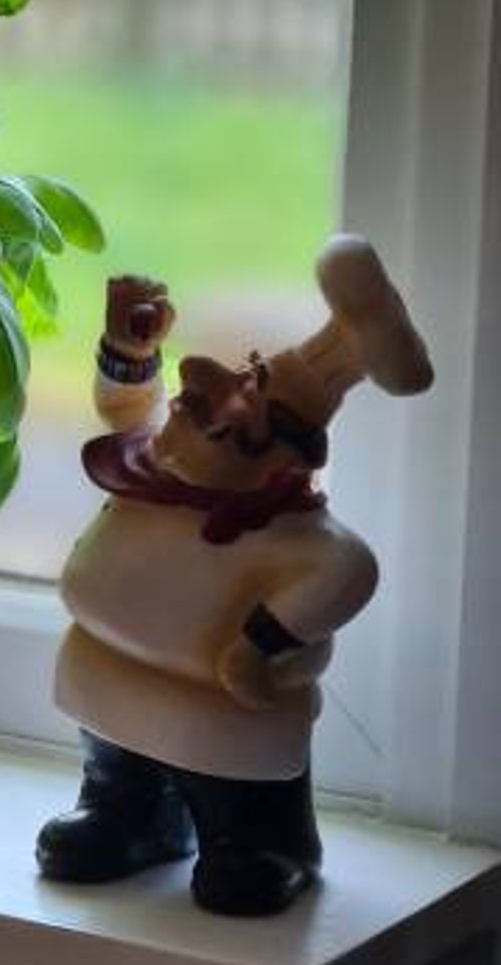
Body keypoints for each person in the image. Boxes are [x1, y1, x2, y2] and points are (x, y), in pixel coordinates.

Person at [37, 237, 432, 915]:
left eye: (232, 409)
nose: (200, 396)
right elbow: (125, 409)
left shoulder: (298, 538)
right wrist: (128, 350)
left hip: (225, 726)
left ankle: (263, 846)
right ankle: (128, 817)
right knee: (115, 776)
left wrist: (259, 644)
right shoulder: (154, 471)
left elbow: (350, 573)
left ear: (279, 462)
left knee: (246, 815)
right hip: (109, 690)